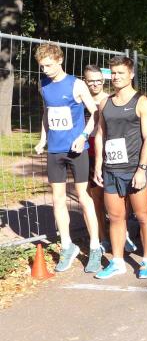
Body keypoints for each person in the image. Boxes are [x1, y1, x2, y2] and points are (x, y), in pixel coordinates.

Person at [33, 44, 103, 273]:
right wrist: (43, 139)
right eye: (42, 67)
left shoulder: (77, 84)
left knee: (83, 197)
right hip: (55, 151)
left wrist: (83, 137)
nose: (45, 70)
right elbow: (47, 113)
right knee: (58, 199)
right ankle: (67, 246)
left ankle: (95, 247)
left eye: (48, 65)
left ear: (59, 60)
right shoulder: (43, 85)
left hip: (76, 150)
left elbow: (95, 113)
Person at [92, 56, 147, 279]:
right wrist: (98, 164)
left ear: (131, 74)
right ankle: (118, 261)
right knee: (115, 217)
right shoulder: (105, 103)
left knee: (143, 216)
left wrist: (142, 169)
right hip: (111, 169)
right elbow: (100, 134)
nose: (116, 77)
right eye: (113, 73)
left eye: (121, 73)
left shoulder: (143, 103)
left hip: (133, 169)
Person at [82, 65, 110, 253]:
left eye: (98, 80)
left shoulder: (110, 99)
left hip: (110, 153)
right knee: (96, 198)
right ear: (85, 81)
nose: (95, 84)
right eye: (91, 81)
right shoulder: (80, 100)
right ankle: (103, 237)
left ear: (103, 80)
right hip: (87, 154)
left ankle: (123, 234)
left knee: (116, 198)